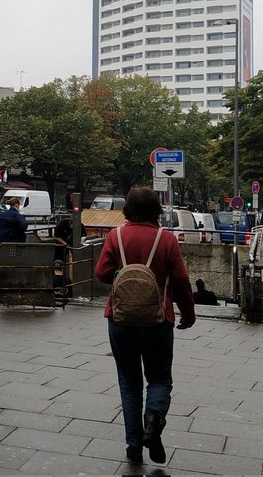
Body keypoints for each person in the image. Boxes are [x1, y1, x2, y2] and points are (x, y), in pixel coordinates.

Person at [94, 187, 195, 465]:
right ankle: (154, 419)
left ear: (127, 208)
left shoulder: (115, 236)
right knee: (160, 378)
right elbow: (180, 281)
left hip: (120, 318)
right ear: (156, 210)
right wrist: (188, 313)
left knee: (129, 384)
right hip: (157, 320)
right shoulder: (166, 240)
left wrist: (119, 271)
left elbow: (102, 273)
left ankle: (134, 446)